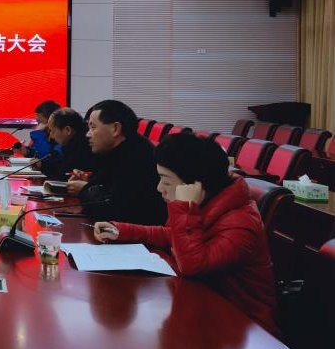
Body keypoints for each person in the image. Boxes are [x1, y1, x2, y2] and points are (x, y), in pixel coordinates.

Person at [93, 133, 277, 334]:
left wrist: (184, 208)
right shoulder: (210, 203)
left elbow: (193, 265)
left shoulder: (240, 224)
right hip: (204, 311)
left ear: (195, 186)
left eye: (166, 181)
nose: (159, 188)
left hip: (244, 328)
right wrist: (121, 230)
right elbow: (172, 235)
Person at [68, 99, 166, 225]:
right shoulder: (117, 150)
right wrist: (89, 181)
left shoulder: (136, 157)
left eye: (93, 127)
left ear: (115, 129)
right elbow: (106, 186)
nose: (88, 134)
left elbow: (113, 210)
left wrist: (84, 190)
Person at [41, 107, 95, 180]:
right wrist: (42, 165)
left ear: (68, 130)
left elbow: (65, 174)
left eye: (53, 131)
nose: (51, 136)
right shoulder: (72, 143)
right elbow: (61, 165)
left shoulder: (83, 147)